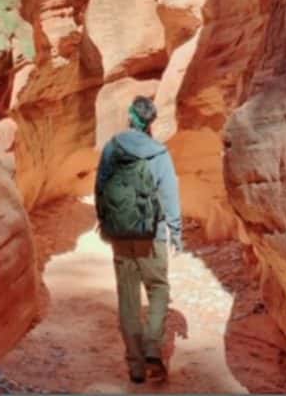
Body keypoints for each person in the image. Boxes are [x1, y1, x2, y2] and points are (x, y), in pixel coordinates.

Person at [95, 95, 183, 384]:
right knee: (158, 288)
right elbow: (169, 193)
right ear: (151, 121)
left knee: (128, 297)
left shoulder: (112, 147)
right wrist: (176, 231)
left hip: (120, 233)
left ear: (129, 117)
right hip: (151, 233)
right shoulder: (158, 152)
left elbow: (100, 187)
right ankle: (151, 349)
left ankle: (135, 366)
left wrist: (106, 223)